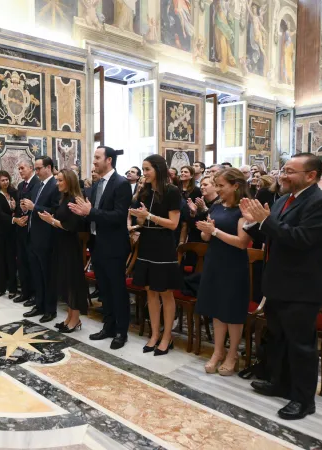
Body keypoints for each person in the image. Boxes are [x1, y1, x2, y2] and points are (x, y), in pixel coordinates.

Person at [241, 153, 322, 420]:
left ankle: (303, 400)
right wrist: (252, 221)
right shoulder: (285, 199)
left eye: (290, 171)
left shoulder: (320, 203)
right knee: (279, 338)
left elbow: (301, 239)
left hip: (302, 287)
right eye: (283, 170)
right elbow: (271, 233)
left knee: (301, 346)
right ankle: (279, 382)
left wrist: (266, 221)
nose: (283, 175)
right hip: (279, 282)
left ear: (311, 175)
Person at [71, 146, 131, 349]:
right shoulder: (97, 185)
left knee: (117, 290)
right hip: (97, 244)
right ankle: (108, 326)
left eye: (97, 157)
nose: (94, 161)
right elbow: (93, 213)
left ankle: (121, 332)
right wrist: (83, 213)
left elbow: (119, 216)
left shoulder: (121, 184)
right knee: (104, 289)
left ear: (109, 160)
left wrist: (91, 212)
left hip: (114, 246)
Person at [195, 169, 252, 376]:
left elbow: (242, 243)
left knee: (232, 312)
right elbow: (206, 237)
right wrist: (206, 230)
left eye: (221, 186)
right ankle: (218, 351)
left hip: (233, 265)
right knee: (217, 309)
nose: (217, 189)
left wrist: (215, 231)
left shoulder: (243, 209)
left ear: (235, 186)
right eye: (216, 185)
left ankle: (232, 354)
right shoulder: (217, 205)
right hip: (214, 261)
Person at [129, 155, 182, 356]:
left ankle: (167, 336)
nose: (144, 173)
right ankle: (154, 334)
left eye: (147, 169)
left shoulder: (171, 191)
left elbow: (173, 223)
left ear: (158, 170)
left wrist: (149, 216)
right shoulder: (145, 191)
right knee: (150, 292)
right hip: (148, 244)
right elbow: (144, 222)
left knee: (165, 293)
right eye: (143, 169)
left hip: (164, 246)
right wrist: (138, 222)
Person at [38, 169, 87, 333]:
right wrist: (51, 217)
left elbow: (71, 226)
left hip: (70, 246)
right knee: (66, 283)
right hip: (60, 244)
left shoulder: (75, 199)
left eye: (60, 180)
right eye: (57, 180)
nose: (57, 183)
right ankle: (69, 317)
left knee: (72, 283)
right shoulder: (64, 198)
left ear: (69, 181)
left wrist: (51, 221)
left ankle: (75, 319)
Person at [22, 156, 60, 323]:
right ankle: (39, 304)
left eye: (38, 169)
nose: (36, 172)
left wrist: (34, 207)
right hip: (33, 235)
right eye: (35, 169)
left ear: (49, 167)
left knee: (47, 276)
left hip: (46, 238)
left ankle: (50, 309)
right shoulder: (38, 185)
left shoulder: (55, 185)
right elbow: (33, 208)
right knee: (36, 274)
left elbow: (54, 210)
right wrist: (26, 209)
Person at [13, 161, 41, 304]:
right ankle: (25, 292)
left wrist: (27, 213)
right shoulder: (20, 185)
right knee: (22, 262)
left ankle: (35, 295)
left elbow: (36, 205)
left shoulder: (37, 183)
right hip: (21, 228)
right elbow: (20, 205)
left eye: (22, 168)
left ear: (31, 168)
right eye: (19, 169)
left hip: (33, 228)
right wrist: (18, 216)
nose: (20, 171)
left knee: (32, 264)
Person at [0, 171, 18, 298]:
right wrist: (12, 218)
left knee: (11, 261)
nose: (5, 182)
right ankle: (1, 288)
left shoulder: (13, 193)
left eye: (7, 179)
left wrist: (14, 209)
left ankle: (12, 288)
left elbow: (15, 210)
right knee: (2, 261)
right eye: (3, 180)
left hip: (12, 233)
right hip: (0, 233)